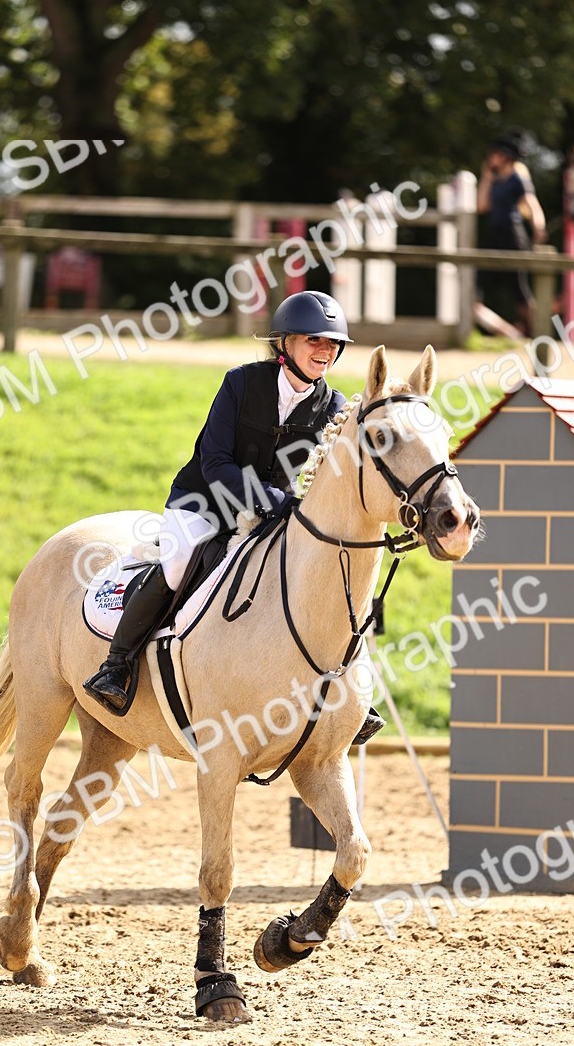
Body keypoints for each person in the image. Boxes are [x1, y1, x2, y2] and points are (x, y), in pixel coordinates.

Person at [83, 289, 385, 743]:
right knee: (179, 562)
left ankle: (345, 691)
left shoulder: (334, 407)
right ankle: (117, 666)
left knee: (320, 571)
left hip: (273, 511)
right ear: (284, 344)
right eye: (313, 341)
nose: (325, 351)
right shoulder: (241, 383)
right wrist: (272, 499)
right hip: (204, 500)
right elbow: (215, 462)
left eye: (331, 344)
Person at [476, 129, 547, 337]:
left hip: (513, 235)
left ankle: (534, 331)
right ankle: (506, 330)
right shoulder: (496, 180)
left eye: (495, 153)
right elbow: (481, 207)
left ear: (505, 157)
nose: (491, 157)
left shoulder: (518, 179)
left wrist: (538, 228)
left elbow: (532, 205)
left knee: (518, 288)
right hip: (495, 234)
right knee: (476, 280)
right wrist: (486, 178)